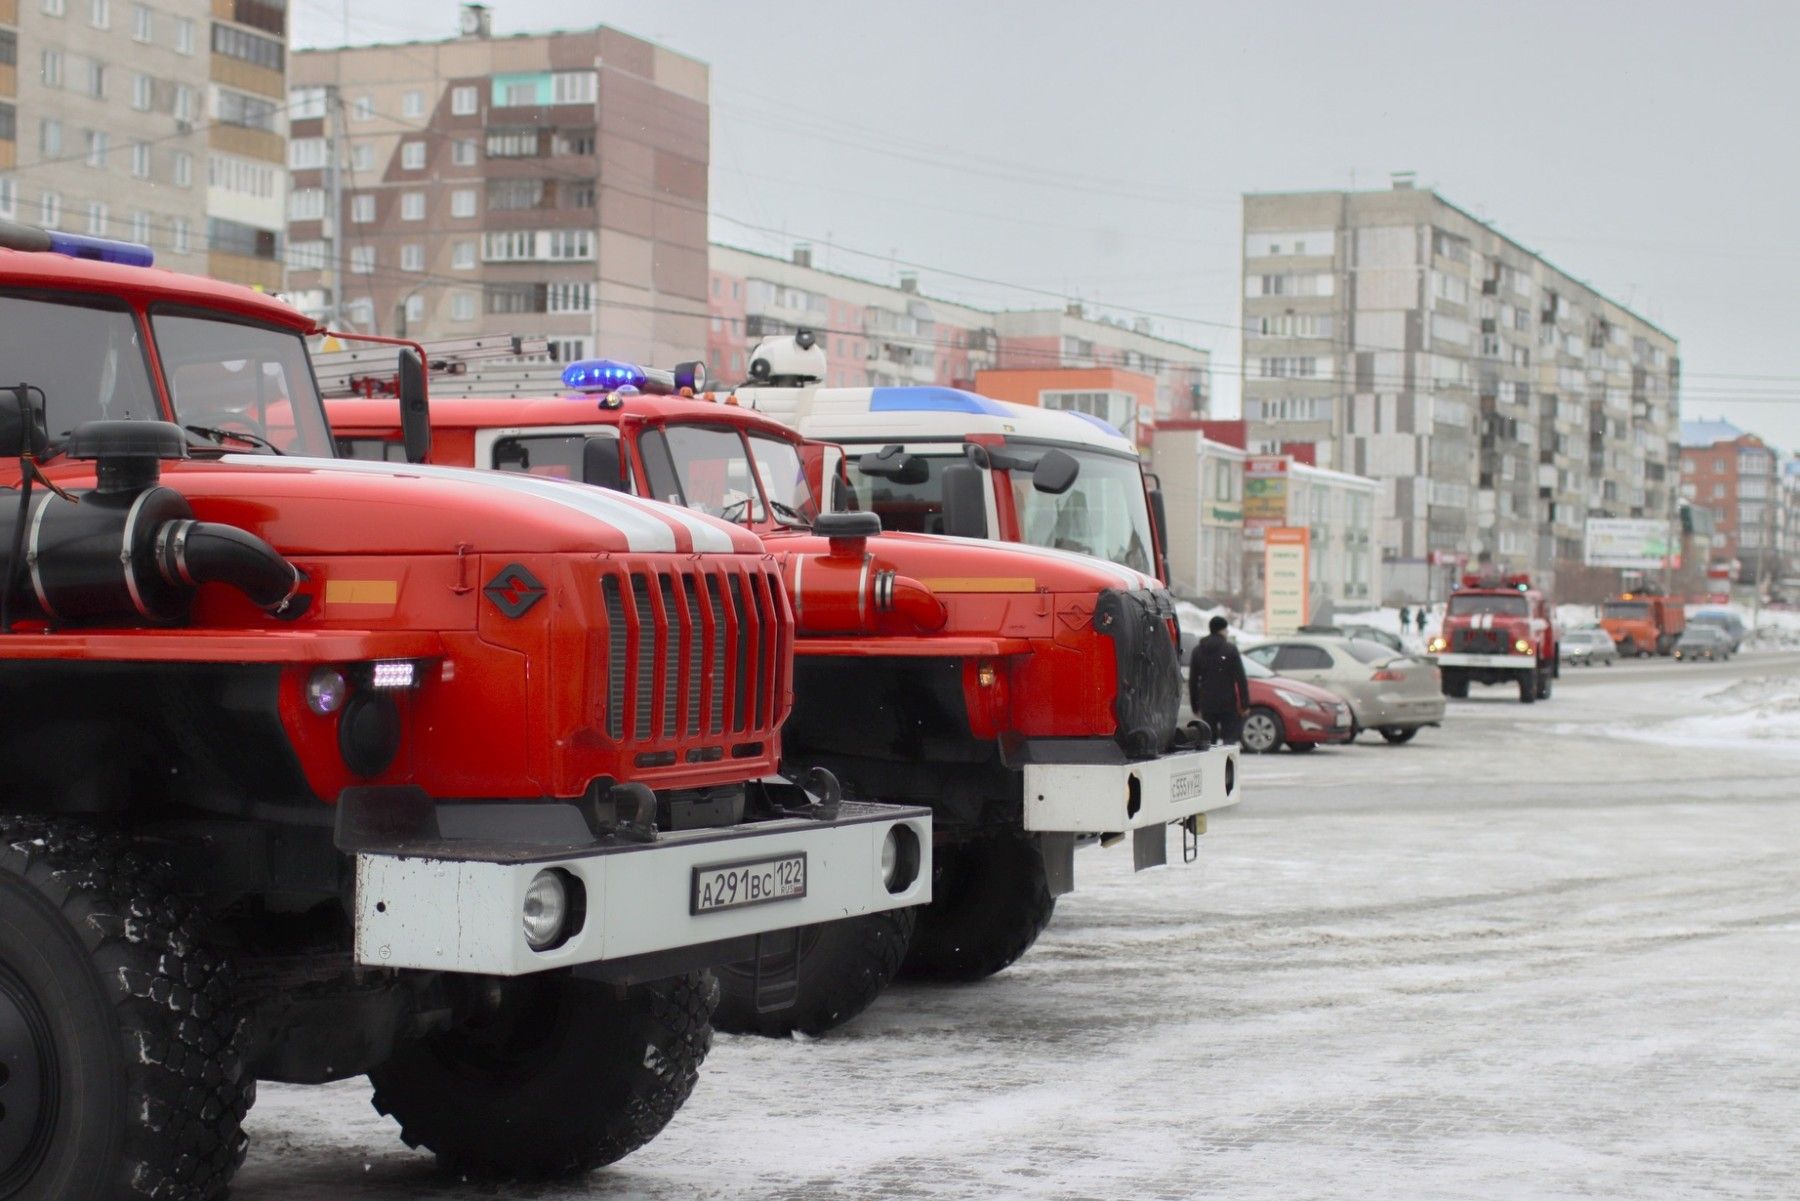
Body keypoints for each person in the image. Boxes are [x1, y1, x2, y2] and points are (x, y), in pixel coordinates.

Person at [1189, 615, 1250, 746]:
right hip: (1227, 702)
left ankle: (1211, 763)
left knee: (1209, 738)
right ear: (1222, 630)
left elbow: (1193, 680)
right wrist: (1245, 704)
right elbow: (1241, 679)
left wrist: (1195, 706)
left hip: (1207, 701)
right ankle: (1228, 764)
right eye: (1226, 630)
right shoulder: (1230, 649)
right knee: (1229, 739)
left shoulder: (1198, 651)